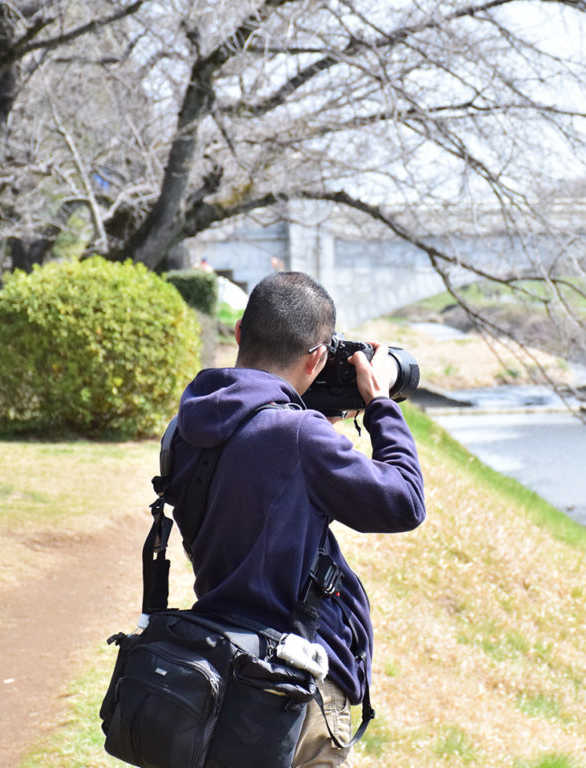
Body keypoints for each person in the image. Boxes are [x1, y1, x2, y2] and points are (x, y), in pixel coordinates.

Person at [163, 271, 426, 767]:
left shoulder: (188, 422)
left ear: (240, 333)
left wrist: (304, 415)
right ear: (317, 358)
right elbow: (405, 502)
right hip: (292, 681)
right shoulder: (298, 436)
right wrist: (380, 404)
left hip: (220, 663)